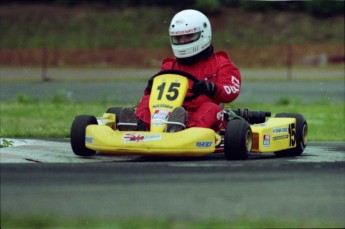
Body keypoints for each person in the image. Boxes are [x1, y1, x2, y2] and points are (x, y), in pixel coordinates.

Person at [119, 9, 241, 132]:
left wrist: (211, 88)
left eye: (188, 36)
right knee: (147, 100)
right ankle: (139, 127)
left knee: (211, 108)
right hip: (167, 115)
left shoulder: (221, 63)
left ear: (203, 34)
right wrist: (150, 87)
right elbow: (155, 96)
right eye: (178, 38)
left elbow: (232, 90)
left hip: (204, 119)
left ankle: (184, 130)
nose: (183, 41)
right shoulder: (169, 66)